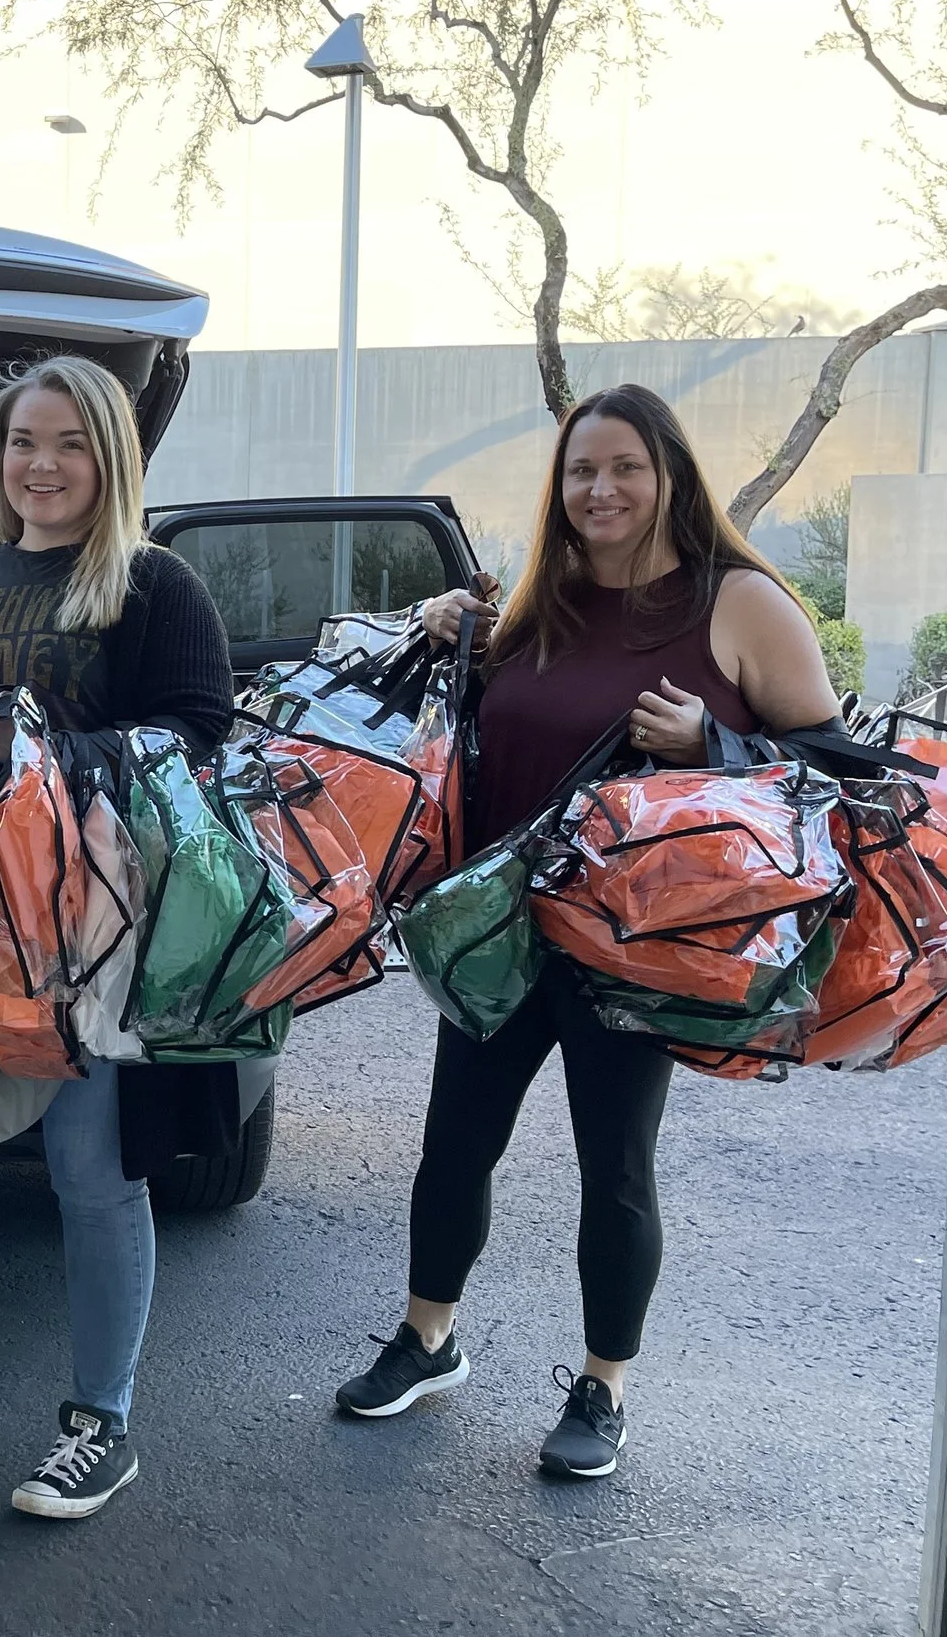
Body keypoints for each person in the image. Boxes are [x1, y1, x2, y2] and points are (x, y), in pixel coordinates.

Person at [336, 382, 840, 1478]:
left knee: (613, 1167)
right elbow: (474, 741)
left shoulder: (738, 603)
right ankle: (427, 1337)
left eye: (622, 468)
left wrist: (713, 741)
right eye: (579, 471)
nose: (598, 489)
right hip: (502, 935)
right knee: (452, 1147)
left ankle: (603, 1388)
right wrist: (443, 639)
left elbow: (834, 780)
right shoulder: (537, 604)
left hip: (636, 945)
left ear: (669, 476)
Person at [0, 353, 236, 1521]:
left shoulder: (154, 584)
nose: (43, 464)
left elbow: (196, 731)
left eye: (70, 442)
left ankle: (100, 1422)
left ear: (109, 457)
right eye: (24, 441)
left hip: (90, 928)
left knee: (90, 1175)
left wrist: (53, 764)